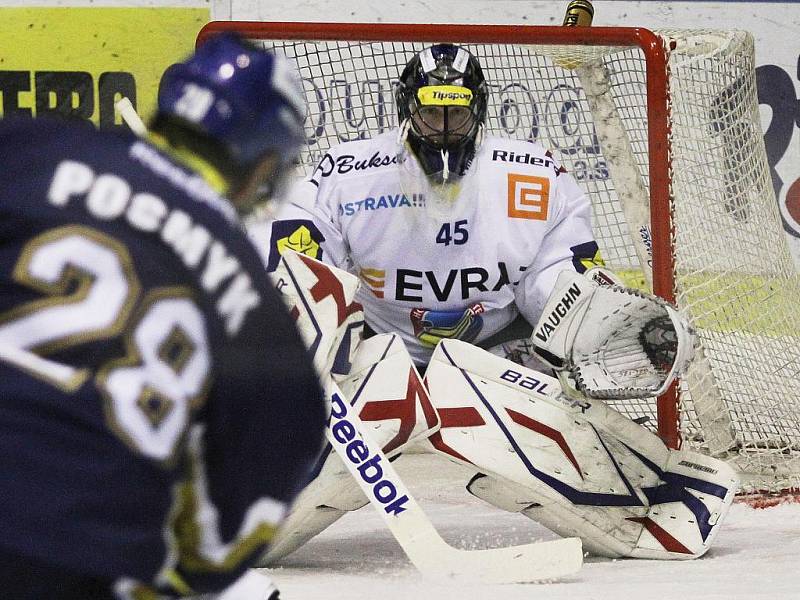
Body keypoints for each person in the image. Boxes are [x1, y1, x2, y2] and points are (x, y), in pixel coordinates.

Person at [0, 33, 325, 599]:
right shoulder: (262, 319)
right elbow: (223, 544)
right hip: (77, 559)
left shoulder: (34, 148)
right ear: (263, 167)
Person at [253, 42, 602, 370]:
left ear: (477, 109)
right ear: (409, 107)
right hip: (375, 347)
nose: (444, 128)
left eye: (457, 113)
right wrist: (305, 324)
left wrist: (584, 318)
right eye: (432, 112)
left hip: (498, 349)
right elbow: (301, 258)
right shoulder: (349, 173)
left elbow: (556, 272)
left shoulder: (534, 173)